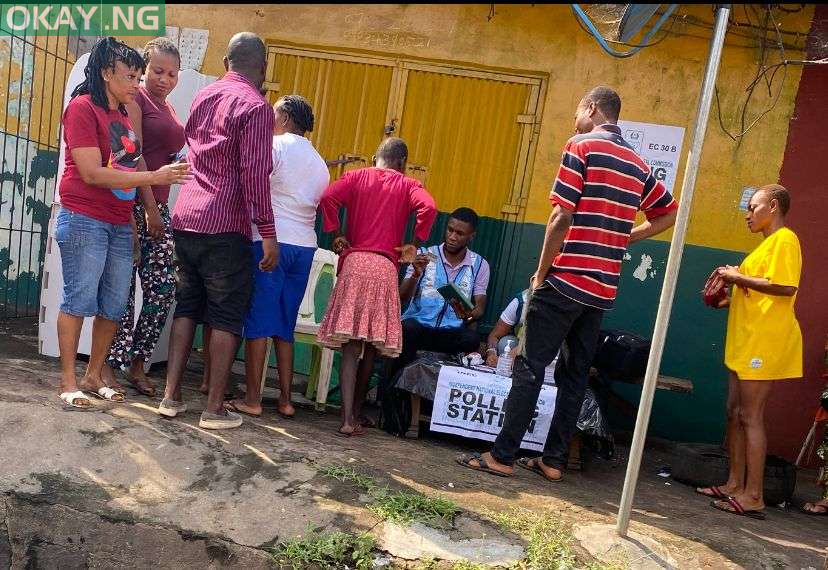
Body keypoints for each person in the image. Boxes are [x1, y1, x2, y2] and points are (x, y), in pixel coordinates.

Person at [455, 86, 678, 481]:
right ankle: (554, 461)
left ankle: (502, 456)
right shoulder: (638, 165)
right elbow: (668, 213)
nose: (575, 119)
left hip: (565, 280)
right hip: (602, 290)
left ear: (592, 108)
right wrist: (627, 236)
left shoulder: (581, 146)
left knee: (529, 365)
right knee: (574, 375)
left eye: (578, 110)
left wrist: (542, 273)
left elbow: (560, 216)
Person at [54, 37, 190, 409]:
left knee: (113, 304)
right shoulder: (82, 108)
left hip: (118, 221)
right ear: (105, 73)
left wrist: (135, 214)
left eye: (136, 75)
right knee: (79, 298)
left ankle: (94, 376)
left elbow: (126, 166)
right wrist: (154, 180)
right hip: (84, 218)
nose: (136, 83)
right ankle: (69, 380)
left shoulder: (121, 114)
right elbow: (92, 173)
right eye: (130, 76)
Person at [157, 32, 278, 430]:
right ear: (262, 66)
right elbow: (254, 173)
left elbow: (192, 151)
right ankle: (212, 409)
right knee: (226, 315)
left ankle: (171, 397)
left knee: (187, 306)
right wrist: (268, 232)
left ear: (226, 61)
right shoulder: (257, 107)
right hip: (225, 224)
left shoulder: (203, 96)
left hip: (187, 215)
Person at [316, 137, 437, 437]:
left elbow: (328, 198)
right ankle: (356, 413)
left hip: (355, 263)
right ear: (403, 163)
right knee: (370, 348)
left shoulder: (356, 176)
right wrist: (415, 241)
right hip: (384, 268)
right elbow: (430, 208)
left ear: (375, 158)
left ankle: (345, 418)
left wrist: (337, 232)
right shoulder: (409, 185)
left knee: (350, 348)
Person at [696, 185, 803, 520]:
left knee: (750, 415)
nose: (747, 213)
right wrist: (728, 297)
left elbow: (786, 287)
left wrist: (737, 275)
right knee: (735, 412)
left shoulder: (786, 239)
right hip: (745, 339)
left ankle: (754, 495)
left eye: (752, 207)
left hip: (763, 342)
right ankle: (733, 484)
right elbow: (760, 296)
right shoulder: (765, 246)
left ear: (772, 206)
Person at [221, 95, 330, 419]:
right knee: (284, 324)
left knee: (257, 321)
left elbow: (253, 184)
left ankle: (252, 399)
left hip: (271, 242)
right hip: (304, 246)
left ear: (284, 118)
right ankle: (285, 400)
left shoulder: (275, 146)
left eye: (273, 113)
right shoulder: (320, 162)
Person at [101, 37, 186, 397]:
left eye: (172, 73)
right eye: (157, 71)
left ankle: (138, 363)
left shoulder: (166, 108)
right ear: (144, 69)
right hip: (137, 202)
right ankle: (109, 366)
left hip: (160, 205)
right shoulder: (136, 100)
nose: (164, 79)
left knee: (162, 288)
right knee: (123, 288)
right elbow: (135, 157)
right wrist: (149, 210)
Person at [394, 208, 490, 438]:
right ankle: (398, 409)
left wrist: (468, 312)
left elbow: (480, 309)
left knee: (472, 338)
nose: (453, 236)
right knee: (407, 329)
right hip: (420, 328)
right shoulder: (426, 255)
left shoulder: (479, 264)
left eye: (460, 233)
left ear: (471, 236)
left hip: (449, 334)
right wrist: (416, 273)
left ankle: (451, 421)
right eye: (450, 230)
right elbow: (401, 298)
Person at [484, 286, 530, 368]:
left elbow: (536, 342)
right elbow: (494, 335)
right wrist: (491, 353)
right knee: (505, 344)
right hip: (520, 344)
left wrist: (509, 358)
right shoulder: (522, 300)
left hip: (549, 348)